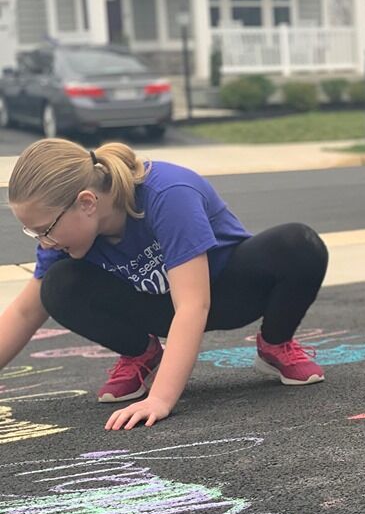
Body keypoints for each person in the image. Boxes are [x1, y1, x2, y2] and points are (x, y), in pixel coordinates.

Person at [2, 138, 328, 430]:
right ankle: (141, 354)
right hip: (159, 308)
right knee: (57, 284)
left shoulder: (168, 193)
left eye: (44, 230)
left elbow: (193, 304)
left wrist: (160, 399)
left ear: (87, 202)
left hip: (226, 295)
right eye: (34, 233)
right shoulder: (63, 234)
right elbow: (25, 313)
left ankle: (275, 344)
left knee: (298, 243)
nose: (43, 243)